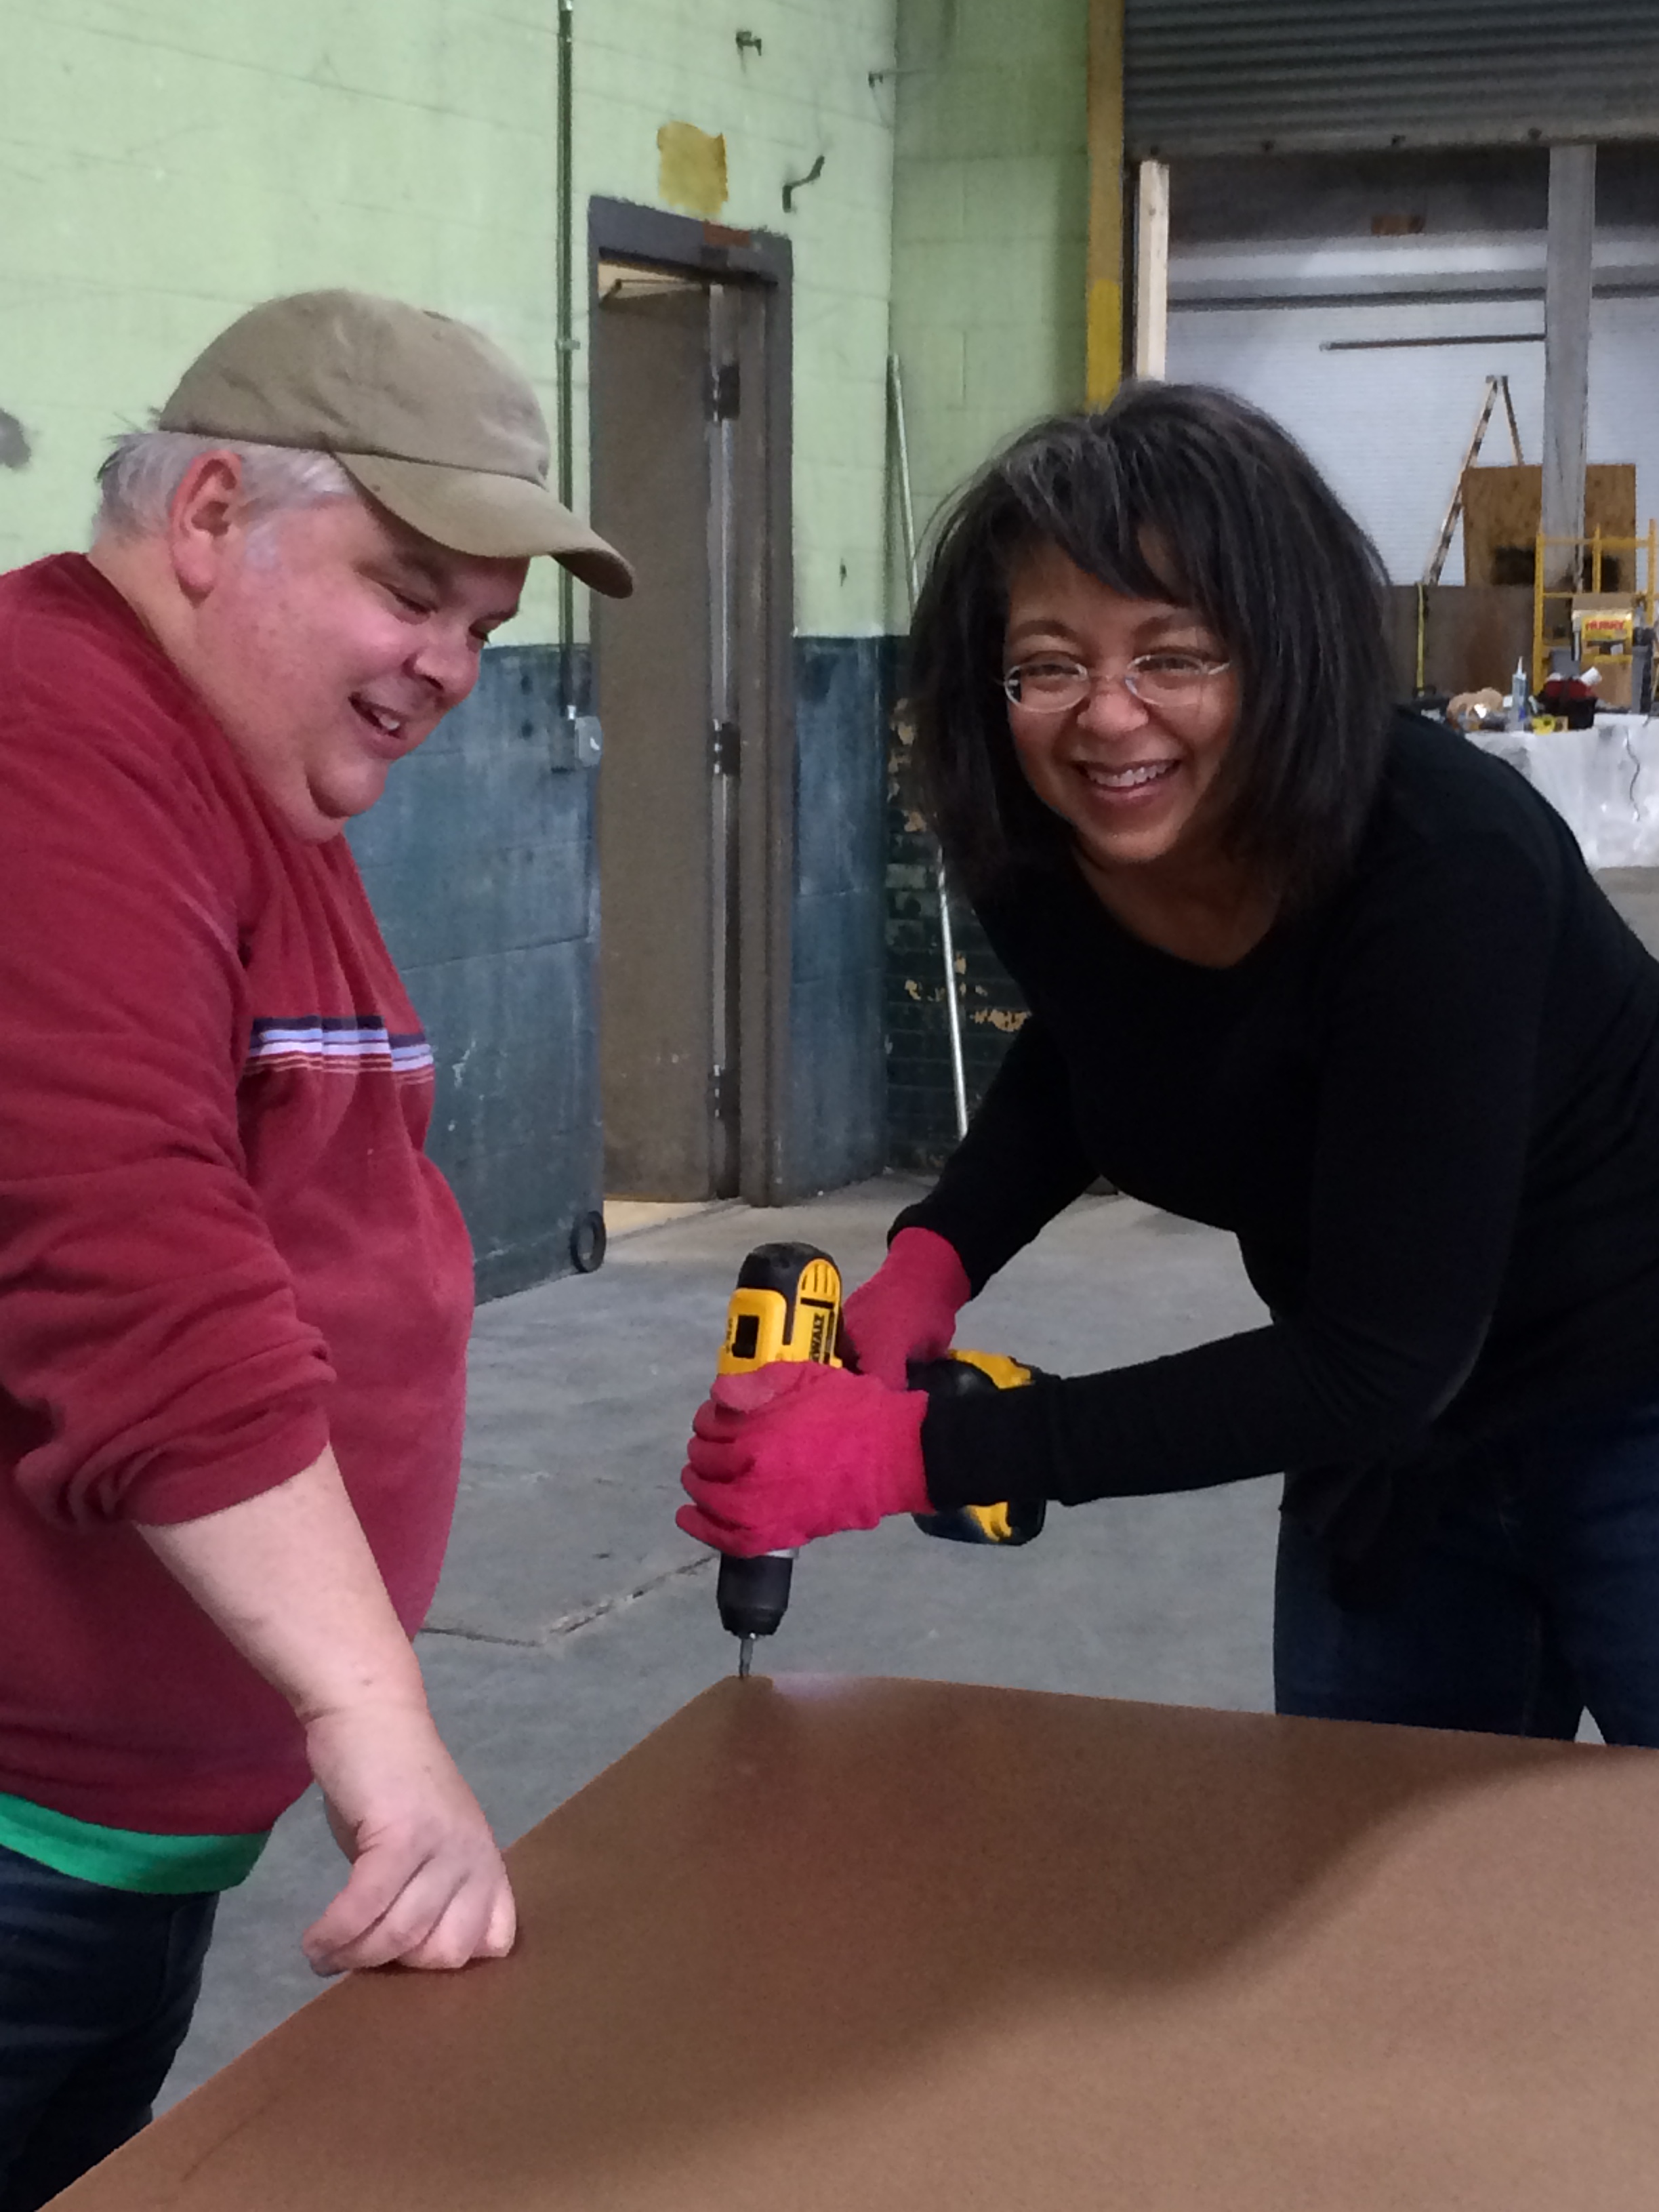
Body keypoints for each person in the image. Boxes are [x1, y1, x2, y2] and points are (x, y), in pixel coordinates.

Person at [680, 380, 1659, 1751]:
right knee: (1370, 1853)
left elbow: (1376, 1362)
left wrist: (921, 1453)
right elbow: (1104, 1039)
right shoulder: (1045, 849)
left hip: (1628, 1387)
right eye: (1049, 664)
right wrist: (939, 1256)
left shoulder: (1442, 866)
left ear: (1285, 654)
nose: (1108, 717)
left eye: (1175, 656)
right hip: (1396, 1468)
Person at [0, 288, 632, 2206]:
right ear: (210, 517)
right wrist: (375, 1719)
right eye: (409, 592)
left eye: (483, 627)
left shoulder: (242, 770)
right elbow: (134, 1268)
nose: (448, 665)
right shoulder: (47, 746)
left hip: (112, 1833)